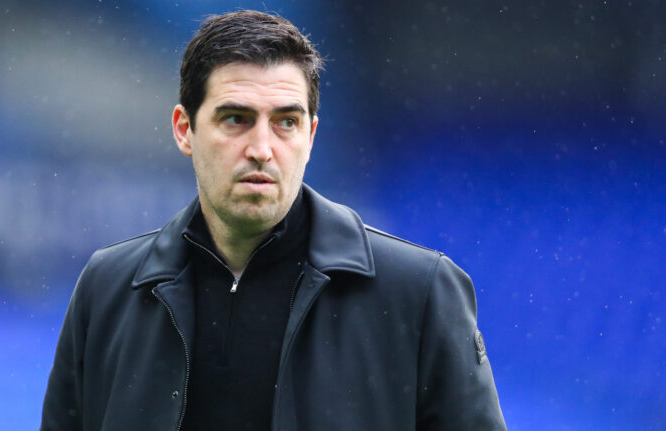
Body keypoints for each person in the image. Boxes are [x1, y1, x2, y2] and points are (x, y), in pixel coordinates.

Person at [41, 10, 507, 431]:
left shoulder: (418, 292)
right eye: (236, 118)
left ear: (311, 135)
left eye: (286, 121)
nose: (262, 148)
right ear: (185, 130)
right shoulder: (108, 289)